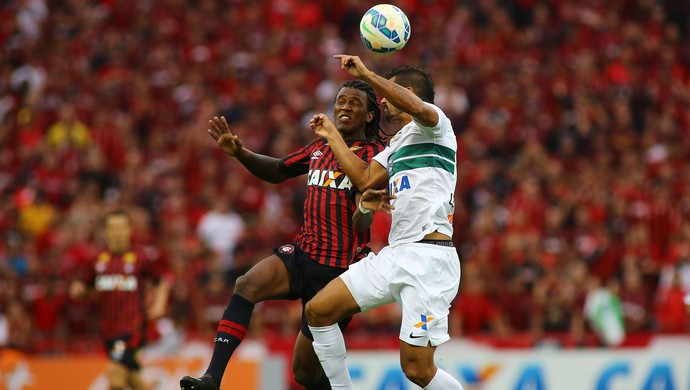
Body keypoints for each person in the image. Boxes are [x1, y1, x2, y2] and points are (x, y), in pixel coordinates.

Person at [180, 79, 386, 390]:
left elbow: (360, 223)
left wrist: (367, 210)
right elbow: (277, 170)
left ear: (370, 116)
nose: (345, 106)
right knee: (246, 284)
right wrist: (240, 152)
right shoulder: (319, 147)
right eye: (341, 100)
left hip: (339, 274)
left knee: (304, 373)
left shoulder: (375, 154)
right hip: (304, 255)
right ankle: (212, 378)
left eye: (355, 103)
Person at [305, 55, 463, 389]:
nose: (382, 105)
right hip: (395, 254)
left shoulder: (436, 126)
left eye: (385, 98)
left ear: (403, 93)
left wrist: (366, 73)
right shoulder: (396, 145)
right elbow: (364, 178)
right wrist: (332, 135)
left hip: (430, 260)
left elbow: (418, 108)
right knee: (318, 311)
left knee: (417, 370)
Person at [70, 209, 171, 390]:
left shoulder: (140, 258)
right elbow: (84, 285)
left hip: (132, 329)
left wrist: (158, 304)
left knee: (115, 377)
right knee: (133, 379)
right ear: (106, 232)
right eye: (113, 228)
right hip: (108, 331)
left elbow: (160, 282)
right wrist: (78, 290)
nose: (117, 232)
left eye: (121, 228)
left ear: (129, 230)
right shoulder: (98, 259)